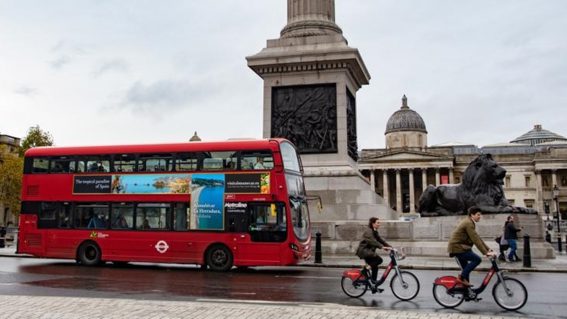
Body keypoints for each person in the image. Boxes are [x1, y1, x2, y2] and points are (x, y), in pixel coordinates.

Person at [448, 206, 495, 286]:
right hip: (458, 248)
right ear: (472, 215)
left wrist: (488, 249)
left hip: (462, 248)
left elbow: (477, 237)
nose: (480, 217)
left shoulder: (470, 222)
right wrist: (485, 252)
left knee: (466, 269)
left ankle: (466, 292)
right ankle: (461, 278)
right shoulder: (468, 223)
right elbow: (475, 240)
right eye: (478, 215)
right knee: (477, 259)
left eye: (480, 215)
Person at [355, 217, 392, 286]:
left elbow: (381, 240)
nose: (379, 224)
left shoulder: (374, 232)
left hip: (369, 251)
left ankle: (373, 283)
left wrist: (391, 247)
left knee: (375, 267)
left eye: (379, 223)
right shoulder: (368, 231)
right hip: (364, 251)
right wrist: (382, 247)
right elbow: (373, 241)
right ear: (373, 224)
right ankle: (364, 271)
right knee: (379, 260)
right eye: (378, 223)